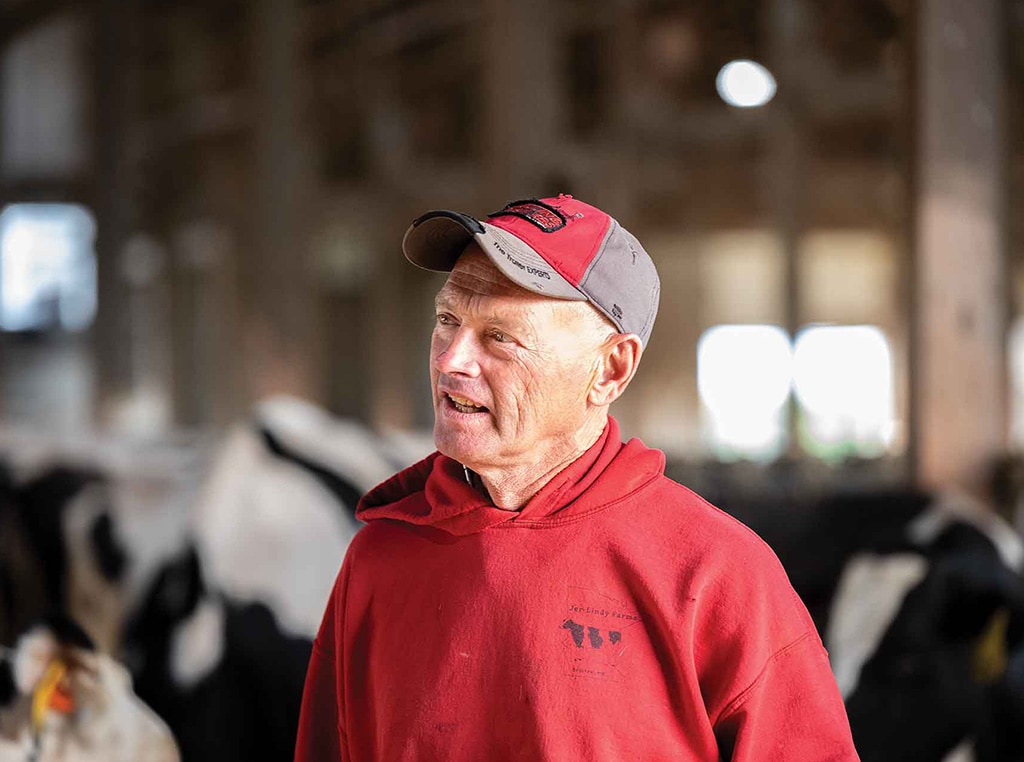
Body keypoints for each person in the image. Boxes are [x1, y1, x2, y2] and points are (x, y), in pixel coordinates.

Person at [294, 195, 858, 761]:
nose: (451, 361)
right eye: (447, 320)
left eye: (501, 336)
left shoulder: (716, 573)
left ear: (610, 369)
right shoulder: (379, 562)